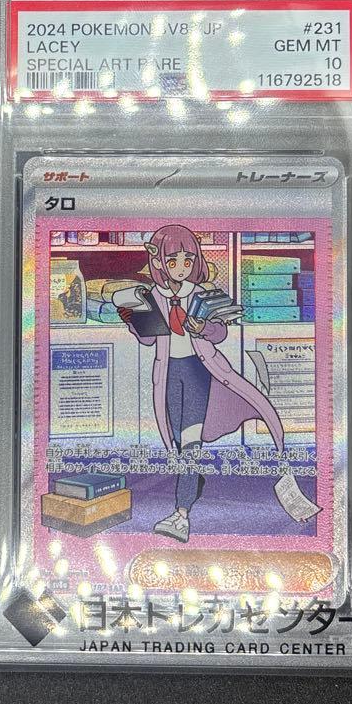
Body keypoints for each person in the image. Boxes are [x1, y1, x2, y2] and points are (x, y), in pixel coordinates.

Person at [119, 224, 285, 542]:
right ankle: (193, 484)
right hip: (168, 375)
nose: (181, 268)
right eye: (173, 261)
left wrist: (203, 328)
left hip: (199, 372)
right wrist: (133, 320)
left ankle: (181, 515)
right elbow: (150, 340)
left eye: (188, 260)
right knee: (176, 441)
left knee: (190, 444)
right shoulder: (153, 295)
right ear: (159, 262)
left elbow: (220, 333)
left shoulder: (202, 294)